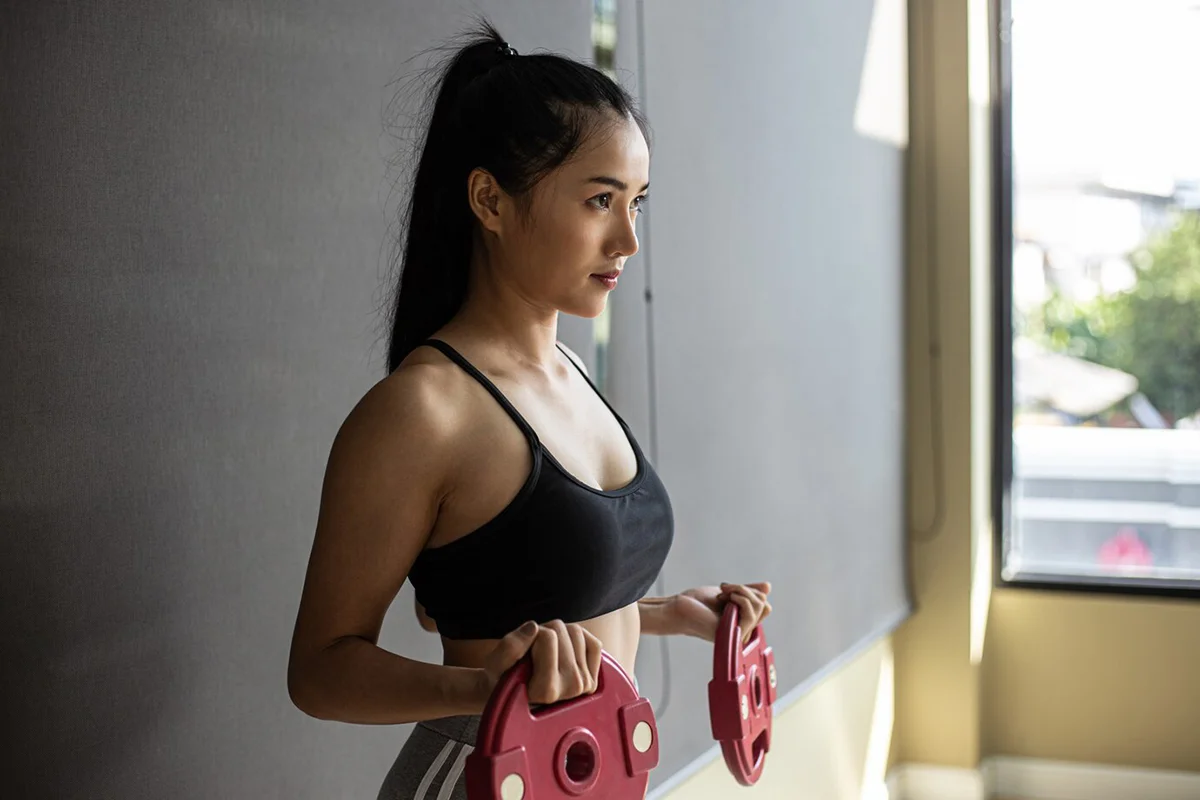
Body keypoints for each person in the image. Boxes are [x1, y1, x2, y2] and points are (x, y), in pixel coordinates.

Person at [286, 22, 772, 800]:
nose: (628, 239)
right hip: (483, 774)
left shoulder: (572, 371)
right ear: (490, 200)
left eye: (638, 202)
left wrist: (668, 613)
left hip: (590, 774)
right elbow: (319, 670)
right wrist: (483, 690)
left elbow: (538, 609)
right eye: (600, 200)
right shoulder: (421, 412)